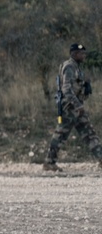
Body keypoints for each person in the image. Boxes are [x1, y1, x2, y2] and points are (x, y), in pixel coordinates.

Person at [43, 43, 102, 171]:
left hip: (77, 107)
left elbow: (76, 87)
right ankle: (49, 162)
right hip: (69, 107)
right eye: (81, 53)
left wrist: (85, 88)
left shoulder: (77, 67)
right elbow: (66, 89)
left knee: (89, 133)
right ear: (74, 54)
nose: (84, 56)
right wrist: (77, 105)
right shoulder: (69, 66)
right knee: (60, 134)